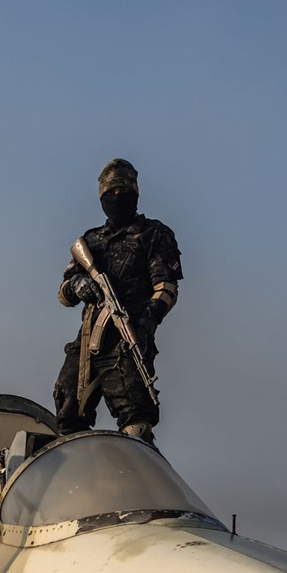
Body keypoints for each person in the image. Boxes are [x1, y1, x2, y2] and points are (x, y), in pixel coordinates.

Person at [53, 159, 183, 444]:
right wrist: (79, 284)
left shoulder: (153, 234)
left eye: (124, 191)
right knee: (67, 408)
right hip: (88, 340)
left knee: (135, 414)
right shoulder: (91, 241)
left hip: (128, 335)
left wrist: (147, 320)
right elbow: (63, 294)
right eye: (112, 191)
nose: (118, 196)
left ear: (135, 194)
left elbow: (166, 287)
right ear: (102, 196)